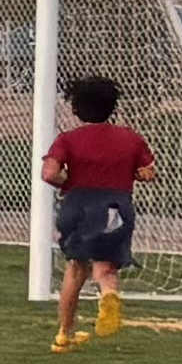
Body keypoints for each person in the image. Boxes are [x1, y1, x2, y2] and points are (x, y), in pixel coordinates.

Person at [42, 74, 151, 349]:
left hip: (77, 205)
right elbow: (149, 172)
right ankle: (108, 295)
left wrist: (69, 182)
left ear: (76, 108)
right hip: (114, 206)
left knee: (76, 267)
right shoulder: (130, 138)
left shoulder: (67, 140)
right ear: (112, 106)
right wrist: (130, 172)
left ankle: (65, 334)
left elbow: (49, 173)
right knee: (106, 266)